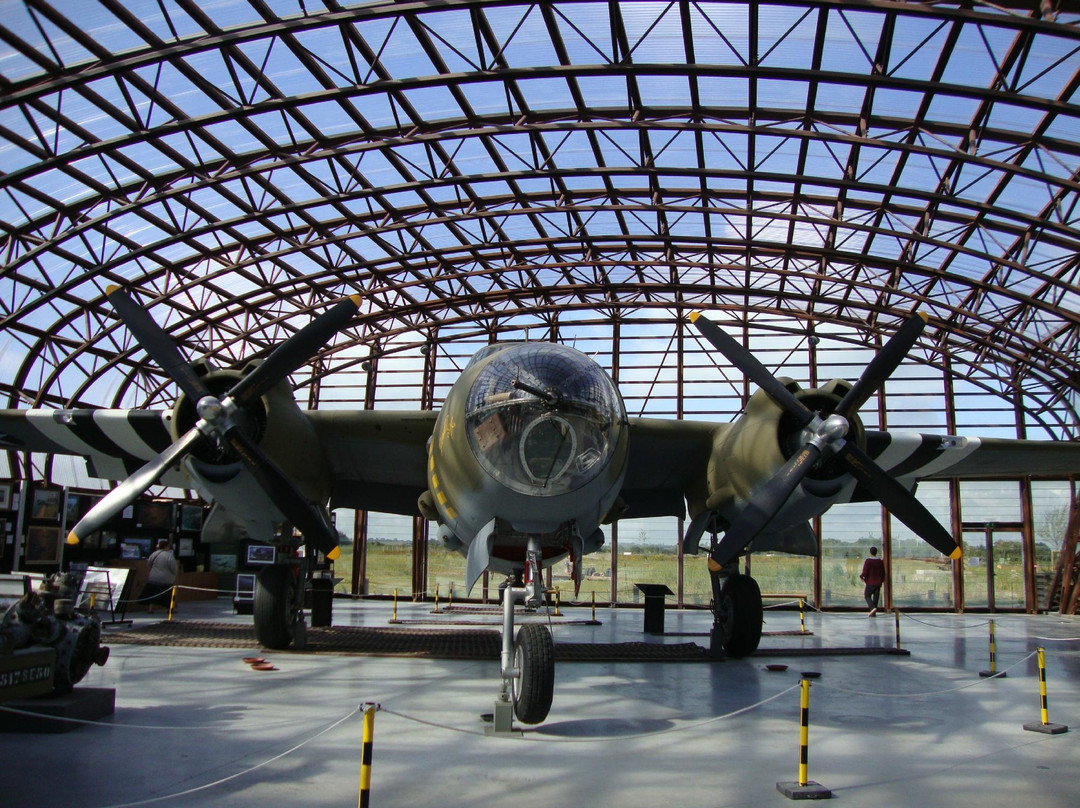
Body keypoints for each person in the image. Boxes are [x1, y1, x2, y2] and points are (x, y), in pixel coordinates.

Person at [144, 539, 178, 614]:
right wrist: (174, 574)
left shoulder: (154, 554)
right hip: (166, 579)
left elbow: (149, 564)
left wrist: (153, 571)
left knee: (153, 594)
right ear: (166, 547)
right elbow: (173, 568)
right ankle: (170, 609)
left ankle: (150, 609)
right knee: (168, 595)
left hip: (153, 577)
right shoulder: (169, 556)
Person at [860, 546, 886, 617]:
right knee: (876, 597)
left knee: (867, 595)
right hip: (878, 582)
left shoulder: (868, 561)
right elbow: (883, 572)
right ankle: (873, 613)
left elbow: (865, 571)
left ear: (870, 552)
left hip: (870, 582)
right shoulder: (880, 561)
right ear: (876, 552)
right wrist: (882, 579)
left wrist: (862, 576)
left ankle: (872, 608)